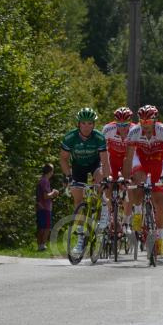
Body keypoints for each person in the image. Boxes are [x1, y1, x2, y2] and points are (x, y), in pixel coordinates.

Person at [123, 105, 163, 257]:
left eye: (148, 122)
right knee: (137, 189)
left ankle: (160, 238)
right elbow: (128, 158)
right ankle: (138, 213)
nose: (145, 126)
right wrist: (126, 179)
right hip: (141, 161)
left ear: (155, 121)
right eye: (142, 122)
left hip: (159, 161)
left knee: (158, 200)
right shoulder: (134, 132)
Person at [60, 107, 110, 255]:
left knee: (101, 178)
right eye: (84, 123)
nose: (87, 127)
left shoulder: (99, 137)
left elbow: (105, 161)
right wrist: (68, 176)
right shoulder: (70, 137)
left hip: (95, 165)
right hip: (78, 167)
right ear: (78, 124)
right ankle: (81, 238)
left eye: (90, 123)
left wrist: (106, 179)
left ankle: (104, 206)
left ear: (94, 125)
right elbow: (63, 159)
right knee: (78, 200)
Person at [102, 107, 135, 230]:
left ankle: (126, 221)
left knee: (129, 187)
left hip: (128, 161)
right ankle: (109, 215)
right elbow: (103, 152)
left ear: (130, 122)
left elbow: (136, 154)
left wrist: (129, 174)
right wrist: (105, 170)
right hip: (112, 161)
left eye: (125, 124)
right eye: (119, 124)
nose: (122, 127)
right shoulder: (108, 129)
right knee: (108, 184)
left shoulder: (135, 130)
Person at [35, 163, 59, 251]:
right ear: (50, 171)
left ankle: (40, 245)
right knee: (46, 227)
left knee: (41, 227)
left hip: (40, 207)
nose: (53, 172)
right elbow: (45, 196)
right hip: (44, 208)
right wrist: (54, 192)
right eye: (53, 170)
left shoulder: (41, 180)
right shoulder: (45, 181)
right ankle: (42, 245)